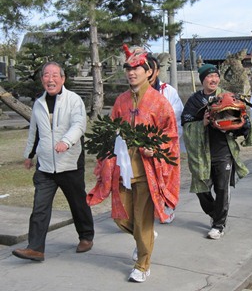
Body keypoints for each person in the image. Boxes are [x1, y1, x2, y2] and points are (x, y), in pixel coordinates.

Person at [87, 46, 180, 283]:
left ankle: (142, 264)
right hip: (122, 171)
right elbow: (110, 131)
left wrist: (155, 149)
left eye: (137, 67)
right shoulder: (121, 101)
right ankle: (145, 238)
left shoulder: (160, 103)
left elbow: (170, 136)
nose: (131, 72)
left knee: (142, 220)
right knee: (121, 218)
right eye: (128, 68)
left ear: (149, 72)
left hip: (146, 172)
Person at [12, 62, 94, 262]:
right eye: (46, 75)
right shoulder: (38, 103)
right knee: (39, 207)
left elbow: (79, 125)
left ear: (63, 79)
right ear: (42, 80)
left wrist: (66, 142)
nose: (50, 79)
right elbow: (35, 132)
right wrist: (29, 156)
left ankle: (86, 236)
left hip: (70, 163)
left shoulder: (73, 100)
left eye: (55, 75)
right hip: (46, 166)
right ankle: (36, 248)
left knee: (77, 203)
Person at [181, 64, 252, 240]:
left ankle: (219, 225)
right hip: (202, 154)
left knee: (222, 189)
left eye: (216, 76)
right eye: (209, 76)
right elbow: (186, 126)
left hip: (223, 151)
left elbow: (242, 118)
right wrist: (203, 123)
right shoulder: (194, 101)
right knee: (201, 190)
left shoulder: (228, 96)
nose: (213, 79)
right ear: (202, 80)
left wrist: (239, 125)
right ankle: (215, 213)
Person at [147, 55, 184, 224]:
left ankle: (167, 206)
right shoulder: (132, 93)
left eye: (149, 68)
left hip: (165, 141)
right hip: (141, 143)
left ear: (156, 71)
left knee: (166, 175)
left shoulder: (168, 91)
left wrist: (163, 139)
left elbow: (176, 116)